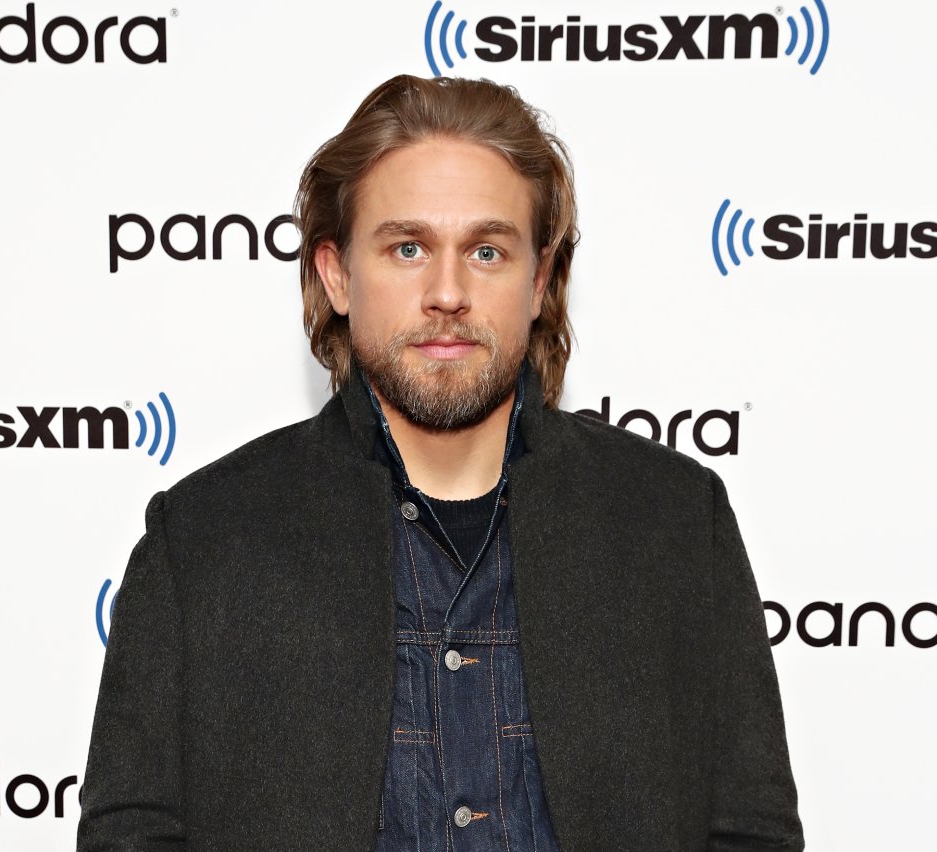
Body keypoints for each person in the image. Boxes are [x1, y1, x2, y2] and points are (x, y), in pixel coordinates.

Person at [77, 74, 804, 851]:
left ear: (540, 280)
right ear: (336, 275)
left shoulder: (674, 522)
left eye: (486, 250)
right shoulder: (204, 540)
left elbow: (750, 831)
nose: (448, 292)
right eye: (408, 247)